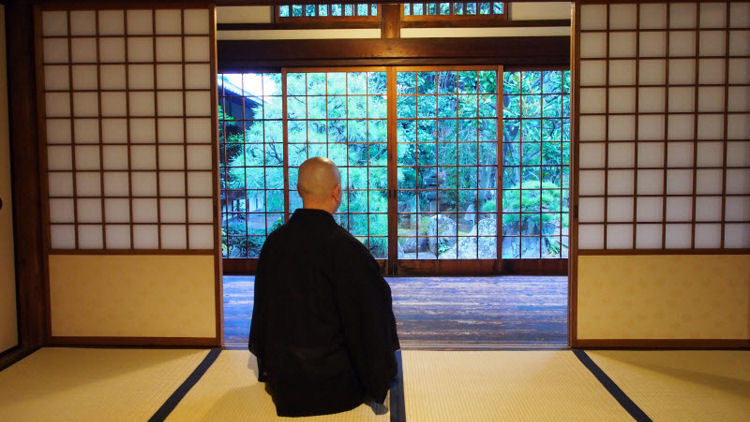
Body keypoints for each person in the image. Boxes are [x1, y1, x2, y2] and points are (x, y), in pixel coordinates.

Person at [249, 156, 400, 417]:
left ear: (298, 191)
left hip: (286, 384)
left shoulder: (273, 244)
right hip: (337, 387)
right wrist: (380, 375)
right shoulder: (348, 250)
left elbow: (263, 314)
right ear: (337, 192)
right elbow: (371, 319)